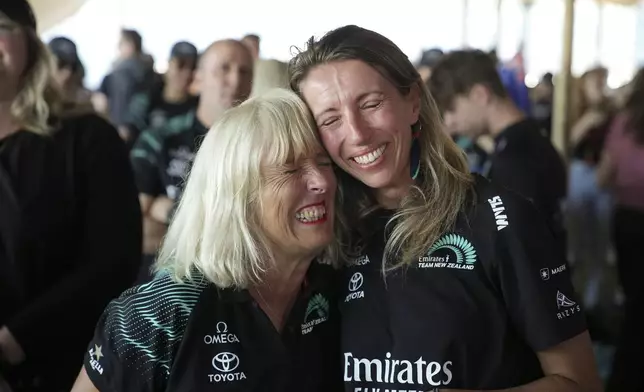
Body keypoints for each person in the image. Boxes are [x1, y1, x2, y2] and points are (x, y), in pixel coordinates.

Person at [289, 25, 602, 391]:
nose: (357, 133)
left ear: (413, 102)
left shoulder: (497, 217)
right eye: (330, 120)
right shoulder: (320, 236)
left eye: (371, 103)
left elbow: (580, 382)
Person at [70, 88, 343, 392]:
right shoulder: (163, 310)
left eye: (324, 163)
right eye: (290, 169)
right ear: (238, 195)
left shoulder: (335, 295)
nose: (321, 181)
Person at [0, 3, 142, 391]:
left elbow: (113, 259)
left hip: (63, 370)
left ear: (30, 44)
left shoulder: (87, 140)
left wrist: (14, 339)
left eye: (1, 27)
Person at [130, 39, 253, 283]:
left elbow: (261, 235)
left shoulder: (260, 147)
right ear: (199, 77)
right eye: (224, 69)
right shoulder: (159, 139)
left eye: (244, 71)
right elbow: (134, 231)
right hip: (163, 289)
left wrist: (169, 211)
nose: (235, 80)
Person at [428, 49, 568, 255]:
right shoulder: (526, 141)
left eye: (451, 108)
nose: (449, 122)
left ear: (480, 95)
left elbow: (519, 246)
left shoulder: (517, 158)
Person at [599, 68, 644, 392]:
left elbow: (604, 177)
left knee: (634, 302)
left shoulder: (624, 123)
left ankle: (624, 375)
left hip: (627, 220)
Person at [124, 41, 199, 140]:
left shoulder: (197, 108)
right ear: (169, 64)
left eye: (192, 67)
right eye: (181, 65)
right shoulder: (146, 101)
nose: (187, 73)